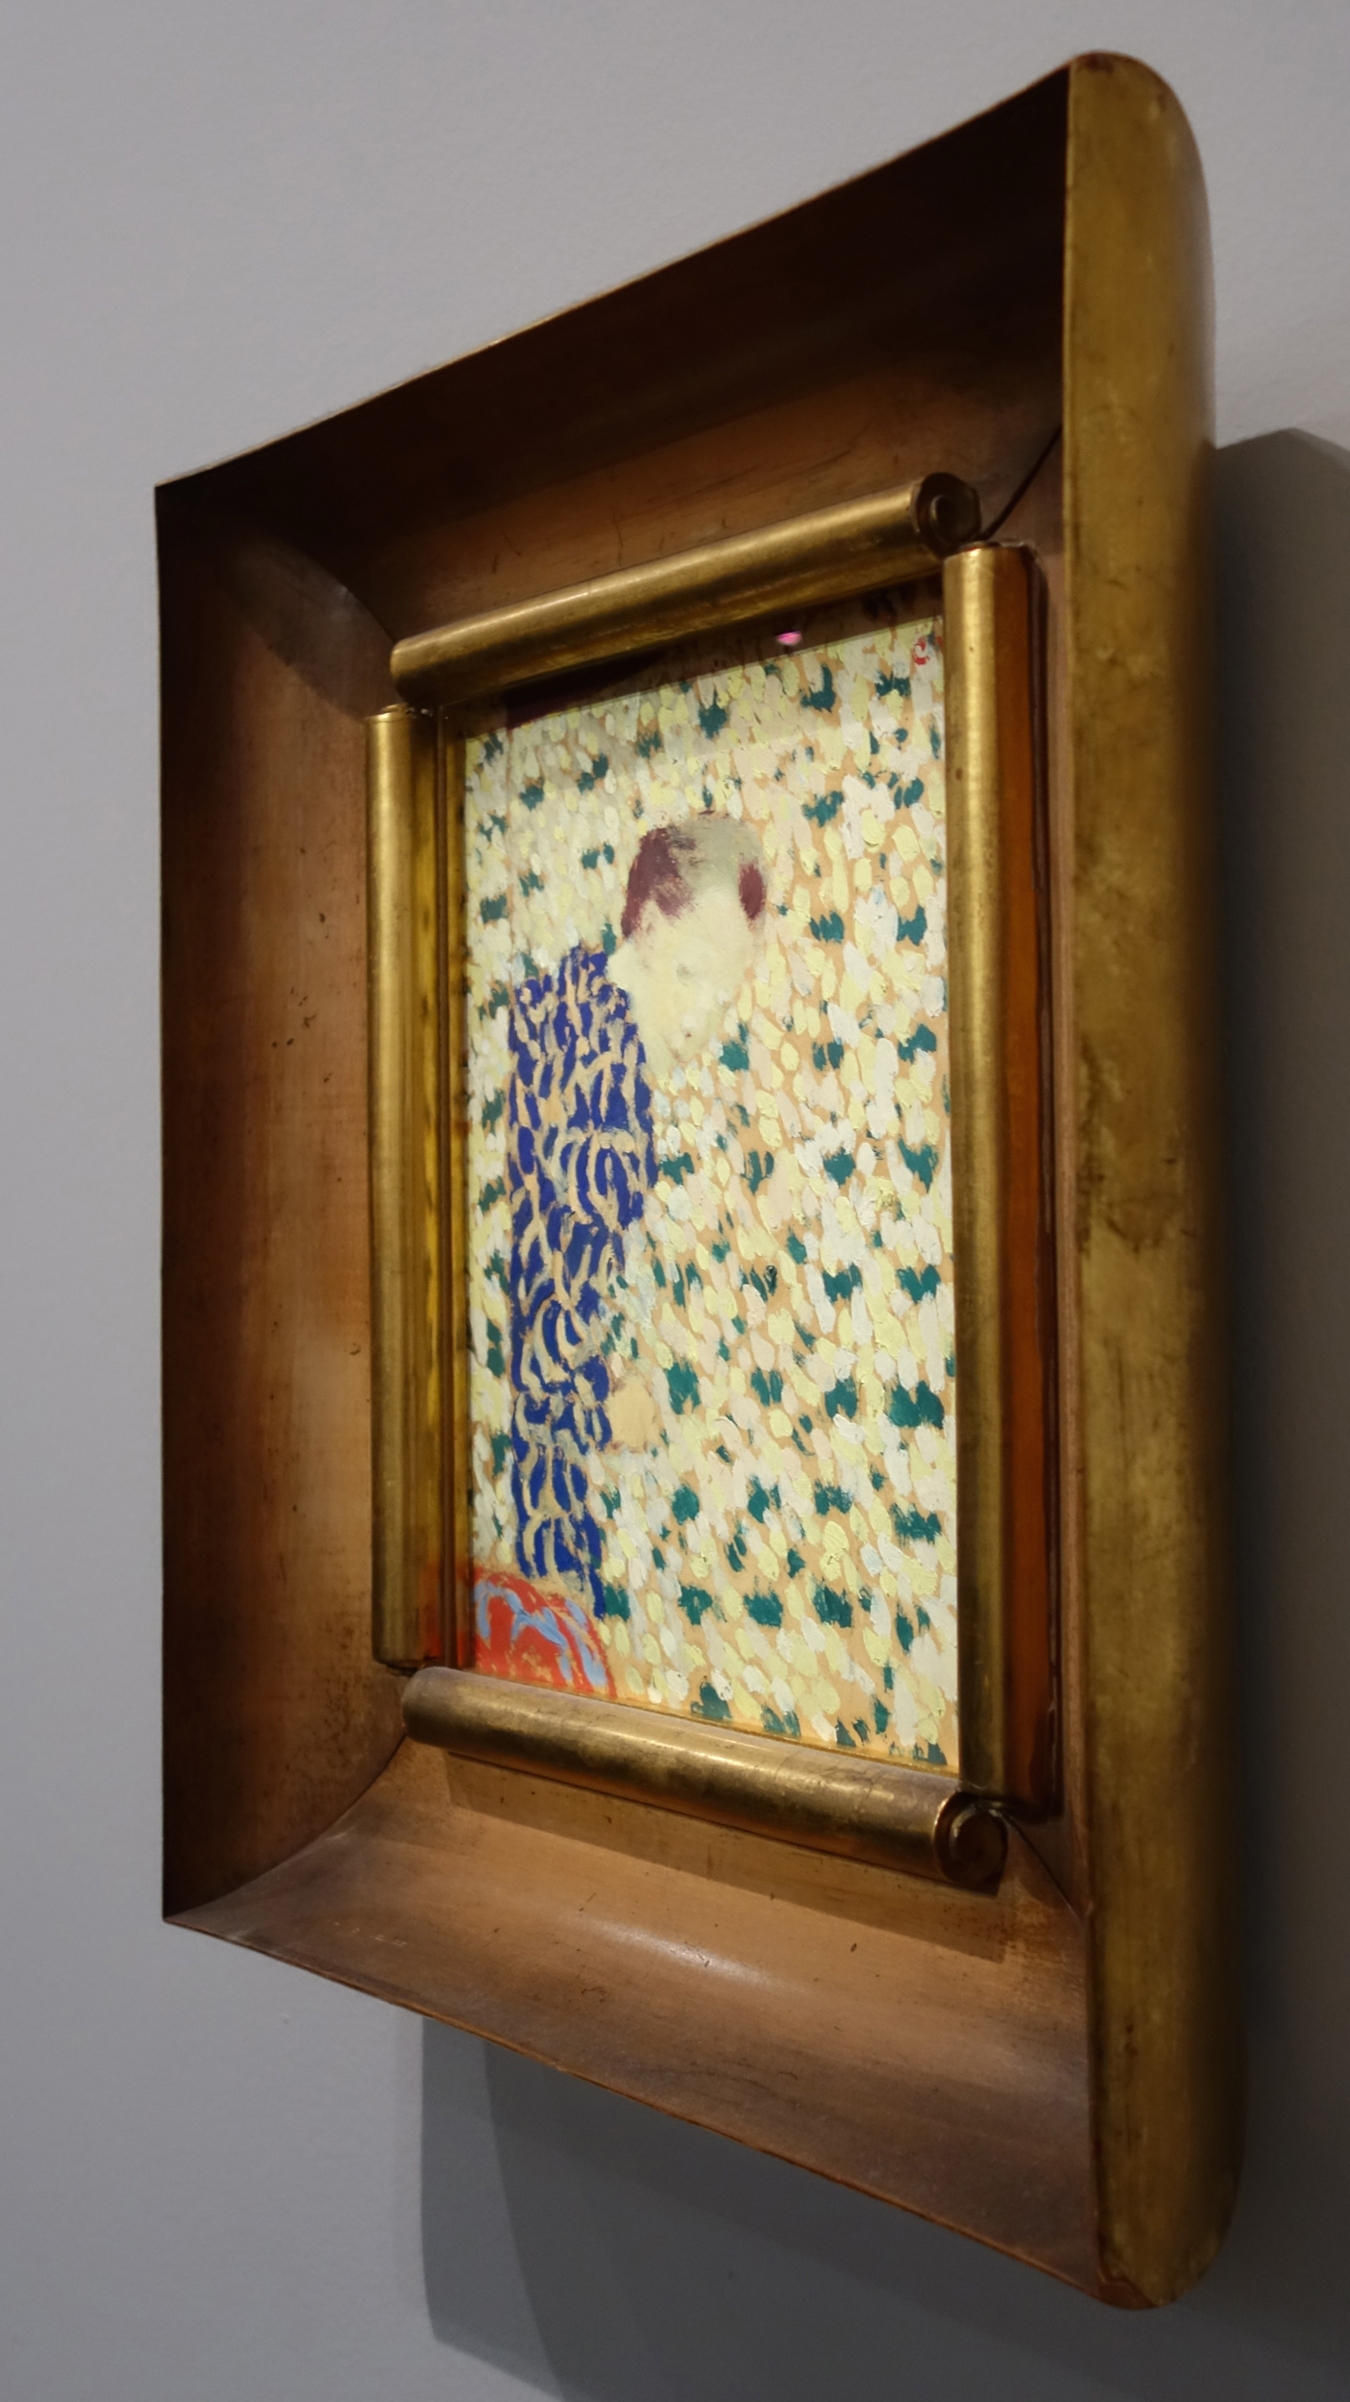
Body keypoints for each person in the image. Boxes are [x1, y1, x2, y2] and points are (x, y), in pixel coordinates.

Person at [499, 816, 766, 1655]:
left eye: (723, 992)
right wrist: (611, 1413)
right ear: (646, 928)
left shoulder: (561, 1000)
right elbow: (536, 1361)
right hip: (544, 1516)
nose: (701, 1018)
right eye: (690, 974)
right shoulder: (608, 1103)